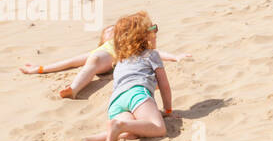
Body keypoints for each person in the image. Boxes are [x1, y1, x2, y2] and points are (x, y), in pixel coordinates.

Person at [68, 13, 174, 141]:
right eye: (153, 29)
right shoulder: (152, 54)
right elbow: (164, 85)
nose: (156, 33)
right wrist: (167, 110)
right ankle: (120, 125)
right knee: (158, 128)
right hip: (137, 94)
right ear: (143, 36)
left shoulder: (120, 61)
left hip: (116, 101)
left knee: (130, 134)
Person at [20, 23, 187, 100]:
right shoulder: (102, 49)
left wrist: (175, 57)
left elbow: (153, 52)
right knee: (86, 66)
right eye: (109, 31)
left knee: (89, 67)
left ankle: (74, 88)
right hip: (101, 58)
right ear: (103, 39)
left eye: (115, 29)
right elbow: (68, 62)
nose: (113, 31)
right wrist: (39, 68)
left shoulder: (124, 45)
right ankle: (74, 88)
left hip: (105, 61)